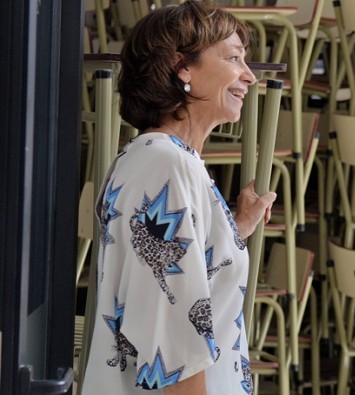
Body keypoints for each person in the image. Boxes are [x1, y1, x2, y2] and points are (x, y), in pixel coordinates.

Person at [81, 1, 277, 394]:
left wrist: (234, 229)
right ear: (182, 66)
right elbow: (170, 343)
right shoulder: (165, 165)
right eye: (234, 58)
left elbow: (177, 277)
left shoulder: (160, 159)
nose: (248, 77)